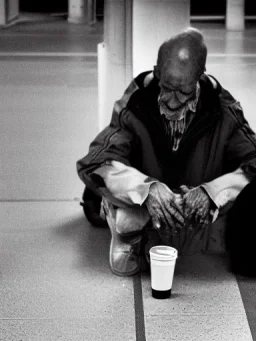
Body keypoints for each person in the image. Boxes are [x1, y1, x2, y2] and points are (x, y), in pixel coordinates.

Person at [76, 27, 256, 277]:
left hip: (198, 204)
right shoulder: (134, 106)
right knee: (113, 182)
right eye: (168, 88)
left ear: (200, 77)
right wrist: (146, 189)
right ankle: (128, 218)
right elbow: (95, 162)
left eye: (184, 92)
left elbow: (254, 161)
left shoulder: (223, 110)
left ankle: (136, 222)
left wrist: (213, 192)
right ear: (157, 72)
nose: (173, 101)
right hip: (145, 201)